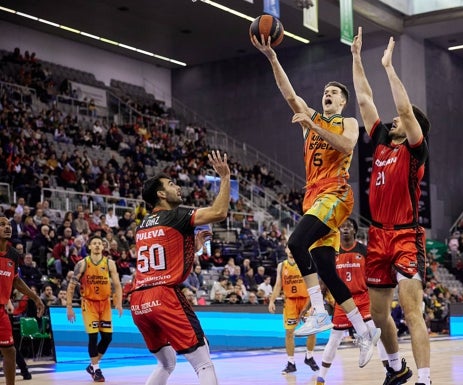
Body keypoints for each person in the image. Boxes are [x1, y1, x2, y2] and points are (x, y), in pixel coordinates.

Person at [252, 28, 380, 368]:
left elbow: (348, 146)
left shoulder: (347, 121)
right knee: (326, 268)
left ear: (342, 101)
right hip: (313, 196)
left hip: (336, 192)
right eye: (325, 91)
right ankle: (364, 332)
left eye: (334, 93)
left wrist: (313, 124)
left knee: (295, 244)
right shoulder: (309, 117)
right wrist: (273, 58)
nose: (328, 94)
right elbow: (287, 91)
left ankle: (319, 312)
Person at [351, 27, 431, 385]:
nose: (394, 119)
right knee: (379, 315)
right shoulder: (383, 141)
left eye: (401, 119)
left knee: (412, 312)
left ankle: (426, 379)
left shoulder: (416, 150)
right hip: (377, 236)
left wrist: (388, 67)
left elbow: (403, 108)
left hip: (405, 237)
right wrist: (356, 59)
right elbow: (366, 100)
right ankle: (396, 368)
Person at [130, 150, 230, 385]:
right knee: (203, 362)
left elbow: (162, 256)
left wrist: (192, 246)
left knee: (166, 363)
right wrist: (224, 178)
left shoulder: (143, 225)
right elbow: (219, 212)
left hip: (138, 301)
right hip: (164, 296)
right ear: (161, 194)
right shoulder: (177, 215)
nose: (178, 187)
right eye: (172, 184)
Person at [316, 218, 387, 385]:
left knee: (376, 336)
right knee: (333, 340)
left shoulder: (364, 250)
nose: (345, 229)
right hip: (342, 302)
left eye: (349, 226)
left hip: (363, 299)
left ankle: (389, 372)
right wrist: (315, 303)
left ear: (354, 231)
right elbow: (325, 280)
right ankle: (321, 379)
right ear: (338, 231)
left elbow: (374, 275)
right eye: (342, 226)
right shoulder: (333, 252)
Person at [66, 235, 123, 382]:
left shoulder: (110, 263)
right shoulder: (82, 263)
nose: (97, 245)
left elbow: (117, 284)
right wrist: (69, 307)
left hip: (105, 304)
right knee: (93, 336)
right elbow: (71, 286)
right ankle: (96, 369)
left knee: (107, 337)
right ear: (89, 247)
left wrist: (119, 302)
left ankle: (92, 365)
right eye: (94, 243)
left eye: (99, 243)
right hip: (89, 303)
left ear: (103, 247)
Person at [0, 215, 45, 385]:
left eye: (8, 224)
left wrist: (35, 298)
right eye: (1, 224)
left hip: (2, 310)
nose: (7, 227)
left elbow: (16, 280)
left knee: (10, 351)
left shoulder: (13, 255)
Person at [268, 247, 320, 375]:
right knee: (289, 332)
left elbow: (313, 282)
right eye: (289, 248)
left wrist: (315, 301)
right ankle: (291, 363)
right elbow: (278, 285)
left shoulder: (304, 261)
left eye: (293, 247)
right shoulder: (282, 266)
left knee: (312, 329)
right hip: (290, 302)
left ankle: (309, 356)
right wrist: (271, 301)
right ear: (285, 250)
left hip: (305, 301)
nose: (291, 250)